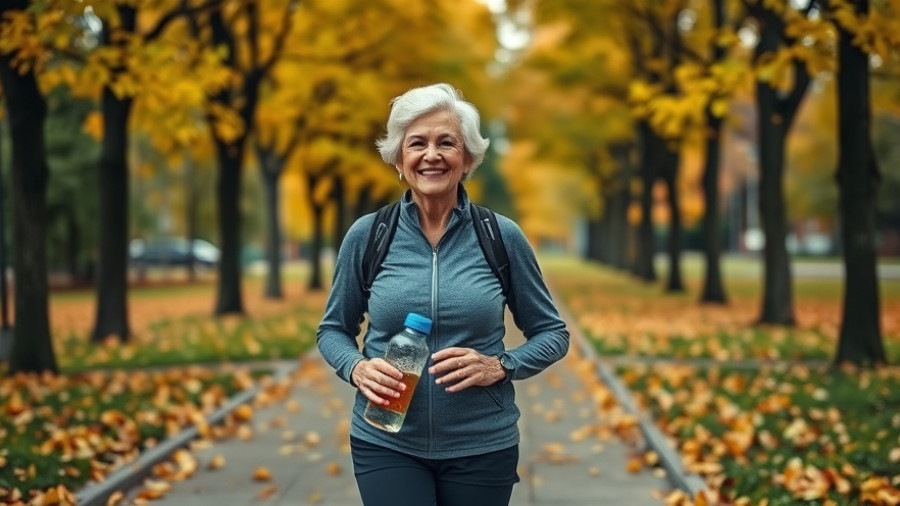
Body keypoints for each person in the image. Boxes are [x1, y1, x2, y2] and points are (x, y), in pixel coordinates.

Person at [317, 83, 569, 506]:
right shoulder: (369, 236)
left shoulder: (500, 237)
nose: (431, 154)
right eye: (417, 143)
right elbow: (332, 331)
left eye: (446, 143)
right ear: (399, 159)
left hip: (482, 444)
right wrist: (356, 369)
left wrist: (501, 365)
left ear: (466, 158)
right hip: (385, 441)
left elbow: (553, 334)